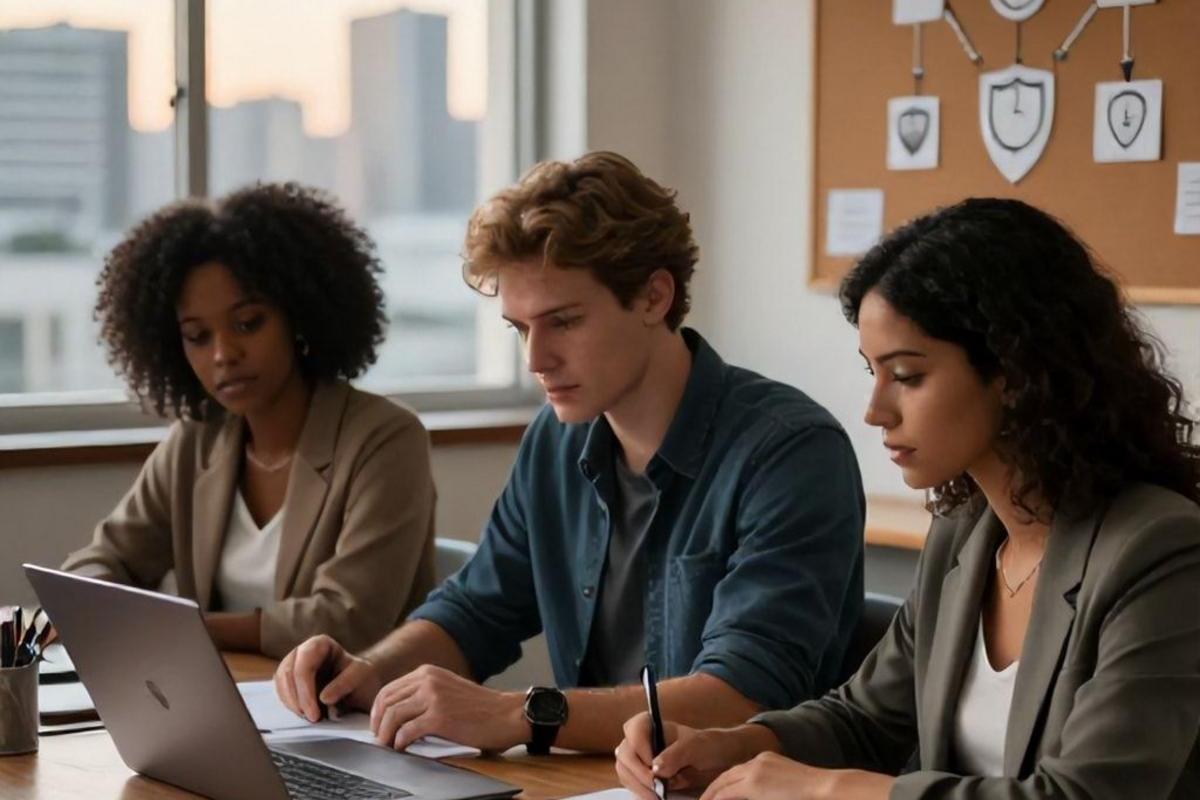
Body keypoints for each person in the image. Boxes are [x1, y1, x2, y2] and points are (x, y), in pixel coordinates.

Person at [274, 151, 866, 755]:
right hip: (593, 780)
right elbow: (475, 610)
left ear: (654, 296)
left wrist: (517, 713)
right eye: (519, 328)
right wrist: (369, 672)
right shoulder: (557, 440)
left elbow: (742, 698)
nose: (535, 359)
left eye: (563, 322)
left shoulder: (790, 453)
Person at [614, 197, 1200, 799]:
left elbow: (1085, 796)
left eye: (907, 376)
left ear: (1015, 372)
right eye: (873, 372)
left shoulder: (1159, 551)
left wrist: (830, 791)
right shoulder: (964, 533)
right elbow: (864, 719)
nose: (875, 411)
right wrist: (732, 745)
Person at [61, 182, 437, 658]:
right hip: (223, 692)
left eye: (248, 323)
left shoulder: (385, 438)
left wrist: (186, 629)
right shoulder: (195, 441)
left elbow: (347, 619)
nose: (223, 354)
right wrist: (93, 600)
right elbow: (104, 560)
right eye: (197, 336)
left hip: (352, 700)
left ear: (299, 316)